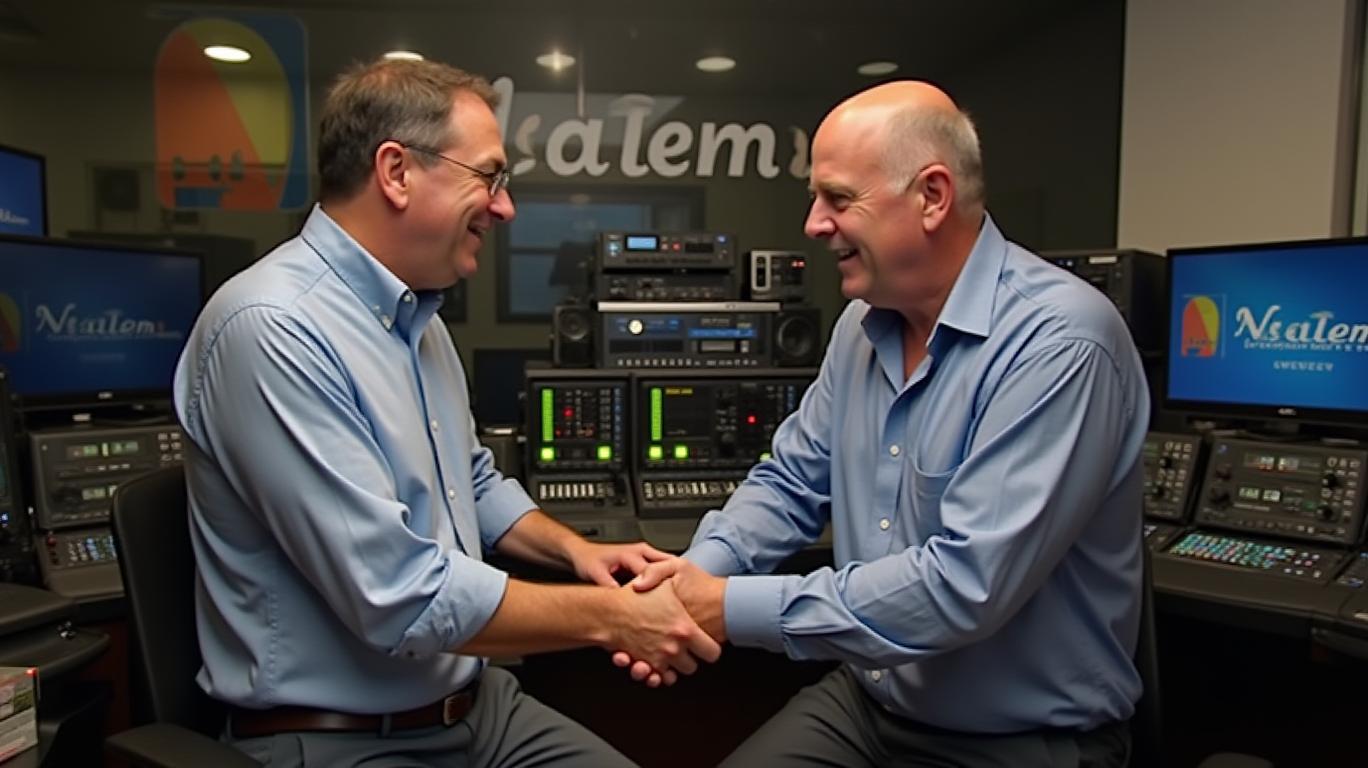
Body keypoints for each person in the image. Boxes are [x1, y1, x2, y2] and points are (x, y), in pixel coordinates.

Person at [173, 58, 719, 768]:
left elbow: (473, 480)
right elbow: (397, 596)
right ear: (396, 171)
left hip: (477, 707)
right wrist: (616, 619)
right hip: (338, 738)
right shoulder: (272, 328)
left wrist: (574, 551)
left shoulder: (418, 319)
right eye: (488, 177)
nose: (505, 207)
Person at [629, 80, 1149, 767]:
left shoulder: (1060, 343)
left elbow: (962, 585)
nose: (814, 224)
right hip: (869, 706)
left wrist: (723, 606)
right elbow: (791, 483)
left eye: (838, 199)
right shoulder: (860, 327)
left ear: (932, 196)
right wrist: (690, 579)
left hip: (1016, 739)